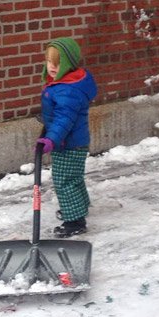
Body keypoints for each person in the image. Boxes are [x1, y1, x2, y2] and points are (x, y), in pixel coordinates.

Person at [36, 37, 98, 238]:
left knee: (64, 180)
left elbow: (65, 119)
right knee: (74, 177)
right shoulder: (67, 82)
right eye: (49, 61)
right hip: (74, 141)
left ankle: (74, 222)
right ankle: (79, 208)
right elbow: (60, 113)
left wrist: (51, 139)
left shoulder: (68, 89)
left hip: (67, 143)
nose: (52, 67)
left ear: (69, 64)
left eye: (58, 62)